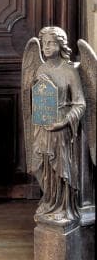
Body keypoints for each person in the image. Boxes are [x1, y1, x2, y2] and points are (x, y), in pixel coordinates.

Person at [31, 26, 86, 222]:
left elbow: (80, 103)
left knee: (60, 168)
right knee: (41, 165)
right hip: (43, 124)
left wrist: (63, 122)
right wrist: (37, 84)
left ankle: (62, 207)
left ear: (60, 45)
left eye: (51, 43)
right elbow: (37, 97)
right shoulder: (41, 69)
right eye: (44, 43)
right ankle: (49, 200)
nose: (46, 47)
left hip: (61, 126)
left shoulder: (69, 71)